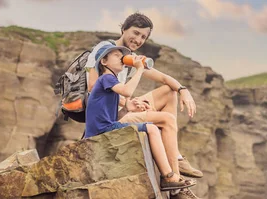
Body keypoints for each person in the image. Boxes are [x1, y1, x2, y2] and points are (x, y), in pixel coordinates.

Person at [84, 12, 203, 179]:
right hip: (111, 118)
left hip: (125, 108)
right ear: (124, 29)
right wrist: (127, 99)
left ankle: (174, 155)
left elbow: (163, 78)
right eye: (136, 33)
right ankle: (174, 178)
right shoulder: (107, 51)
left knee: (170, 91)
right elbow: (92, 86)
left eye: (143, 37)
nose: (138, 40)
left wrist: (184, 90)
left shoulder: (128, 59)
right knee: (167, 120)